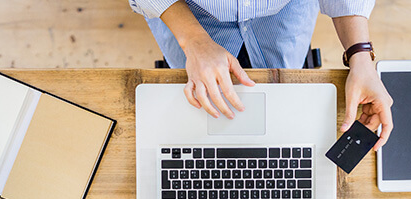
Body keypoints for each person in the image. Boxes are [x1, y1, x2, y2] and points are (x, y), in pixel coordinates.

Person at [129, 0, 393, 150]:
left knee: (286, 89)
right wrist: (193, 40)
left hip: (286, 8)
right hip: (186, 10)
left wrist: (360, 55)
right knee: (196, 99)